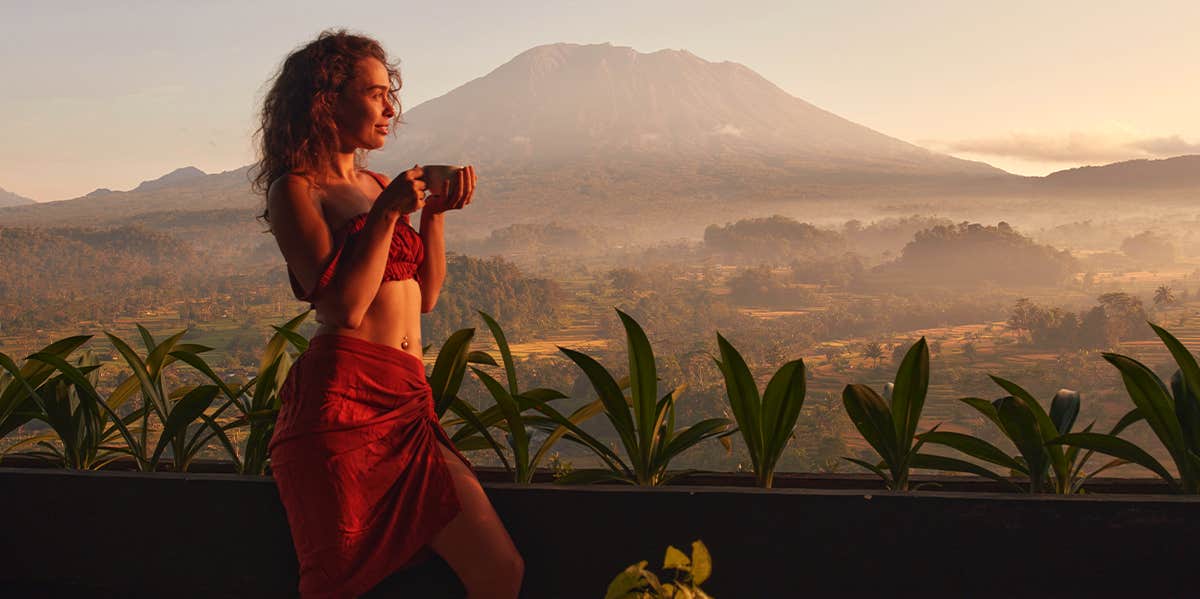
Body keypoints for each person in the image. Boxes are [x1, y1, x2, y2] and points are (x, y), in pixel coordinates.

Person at [252, 29, 524, 598]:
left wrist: (435, 215)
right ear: (326, 101)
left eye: (389, 93)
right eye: (376, 93)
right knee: (341, 585)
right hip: (341, 410)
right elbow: (343, 308)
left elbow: (423, 297)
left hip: (407, 404)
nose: (391, 108)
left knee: (501, 571)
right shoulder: (295, 191)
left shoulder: (376, 182)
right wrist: (386, 212)